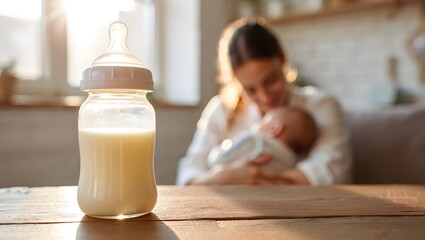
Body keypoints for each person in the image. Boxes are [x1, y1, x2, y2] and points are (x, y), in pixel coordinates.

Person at [176, 18, 351, 185]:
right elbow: (189, 175)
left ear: (282, 56)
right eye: (250, 89)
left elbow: (331, 171)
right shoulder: (222, 109)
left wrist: (249, 181)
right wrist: (225, 177)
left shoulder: (321, 106)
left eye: (271, 80)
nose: (265, 97)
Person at [208, 106, 318, 173]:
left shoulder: (254, 140)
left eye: (264, 120)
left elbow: (218, 160)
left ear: (275, 129)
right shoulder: (292, 163)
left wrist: (216, 151)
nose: (257, 123)